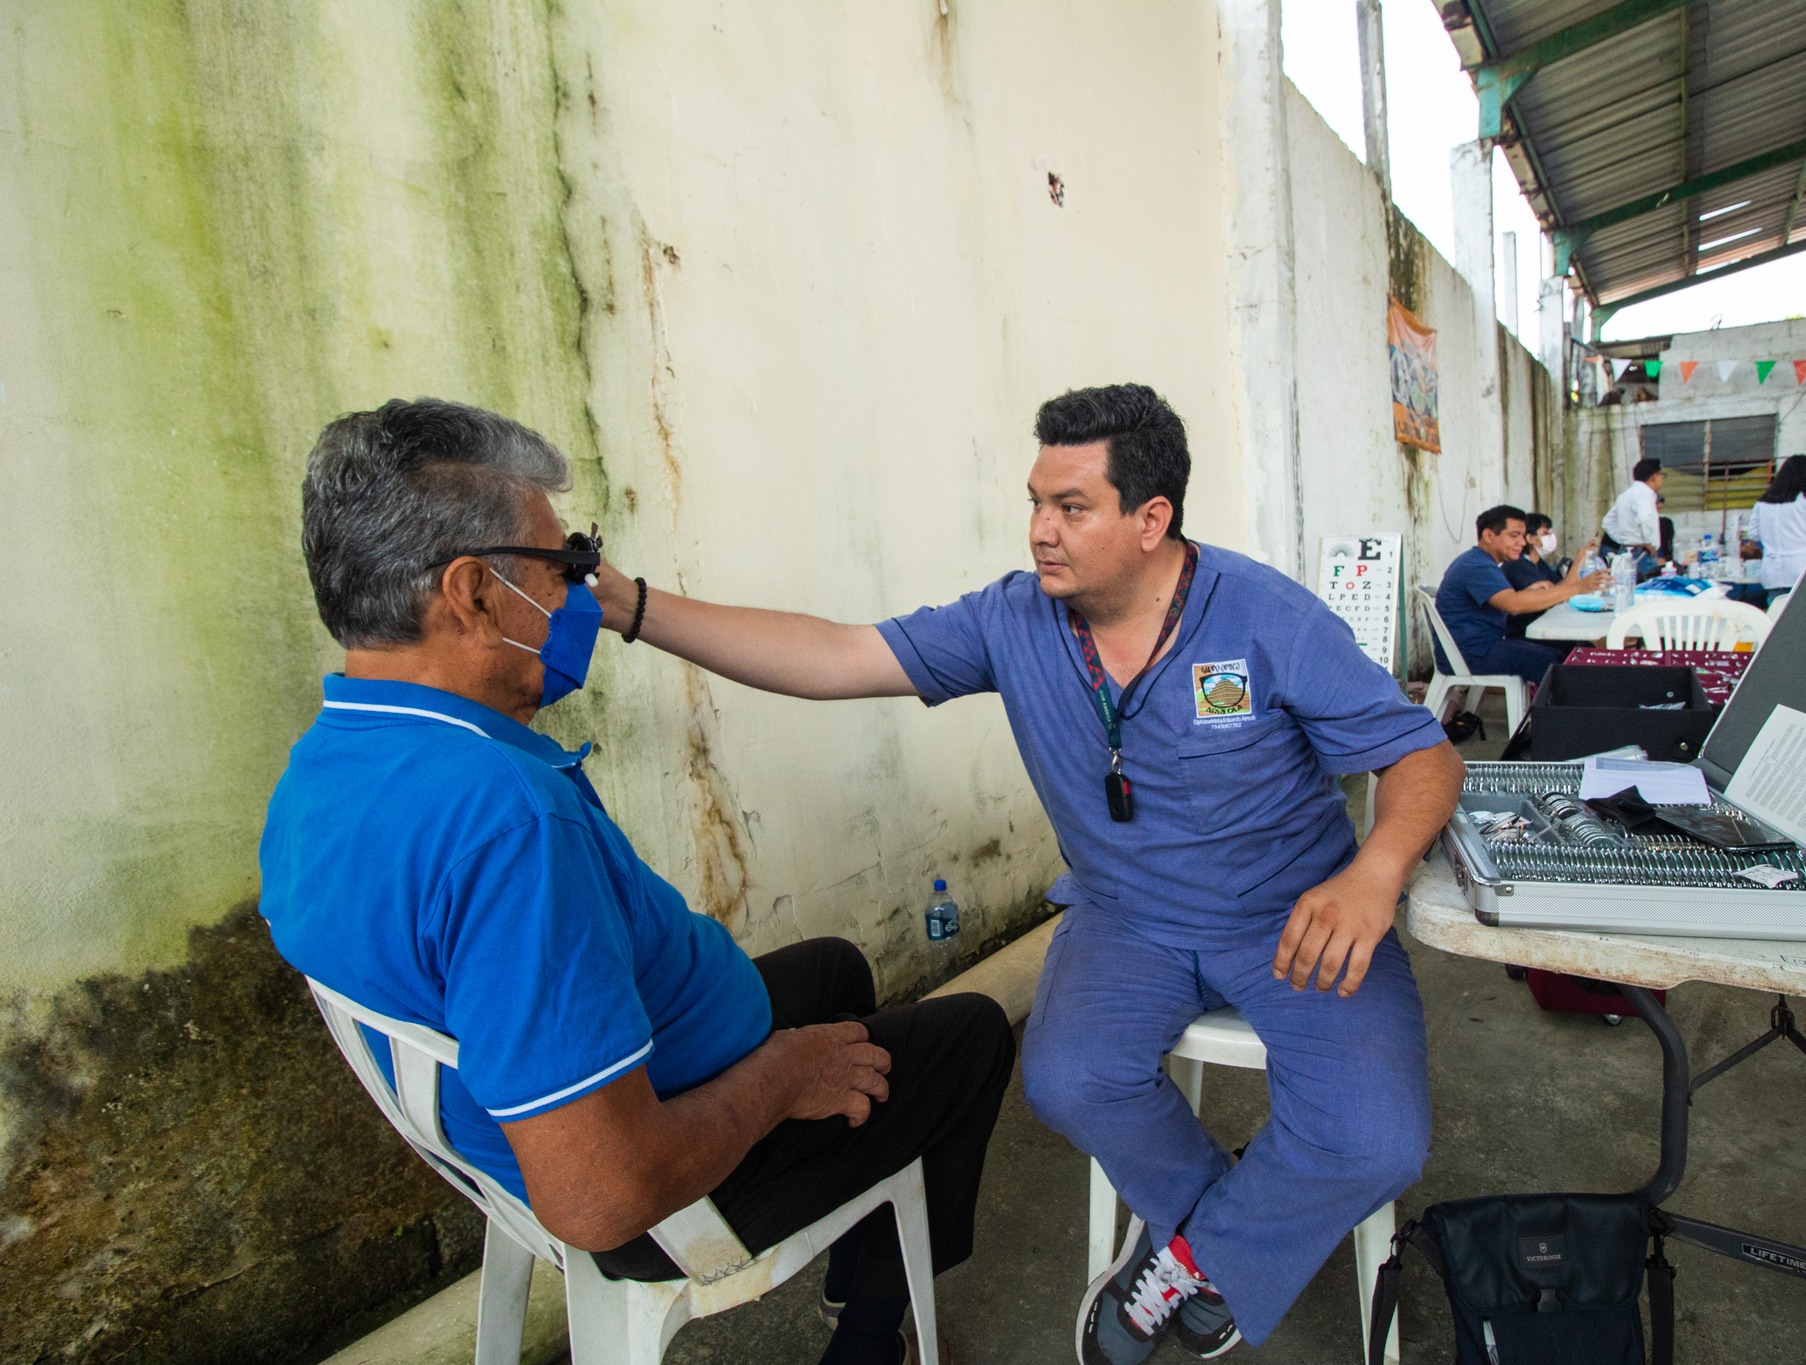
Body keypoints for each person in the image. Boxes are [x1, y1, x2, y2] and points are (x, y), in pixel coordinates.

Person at [582, 383, 1467, 1363]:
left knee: (1377, 1139)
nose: (1040, 530)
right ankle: (1217, 1242)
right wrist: (634, 609)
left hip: (1292, 913)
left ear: (1150, 519)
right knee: (1067, 1079)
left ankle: (1189, 1255)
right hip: (1126, 917)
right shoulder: (1013, 619)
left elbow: (1421, 755)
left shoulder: (1267, 617)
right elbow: (834, 654)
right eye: (1037, 502)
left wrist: (1375, 872)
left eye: (1071, 507)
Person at [260, 400, 1016, 1365]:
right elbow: (601, 1192)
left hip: (573, 1095)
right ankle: (870, 1337)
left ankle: (858, 1241)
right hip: (657, 1186)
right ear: (473, 592)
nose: (579, 591)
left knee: (834, 968)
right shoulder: (504, 821)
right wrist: (783, 1078)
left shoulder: (329, 762)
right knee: (972, 1034)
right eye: (560, 565)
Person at [1436, 505, 1607, 687]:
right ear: (1488, 536)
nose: (1522, 542)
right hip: (1471, 654)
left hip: (1479, 648)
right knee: (1554, 662)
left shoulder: (1479, 561)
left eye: (1522, 536)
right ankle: (1570, 705)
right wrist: (1577, 588)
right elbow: (1513, 605)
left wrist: (1530, 593)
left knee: (1566, 652)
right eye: (1514, 535)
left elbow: (1510, 598)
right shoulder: (1476, 565)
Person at [1749, 455, 1806, 604]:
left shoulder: (1763, 502)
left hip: (1773, 573)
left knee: (1777, 614)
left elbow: (1753, 534)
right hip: (1804, 569)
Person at [1502, 511, 1564, 638]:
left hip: (1540, 625)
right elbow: (1555, 594)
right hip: (1523, 632)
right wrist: (1579, 560)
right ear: (1530, 538)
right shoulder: (1516, 564)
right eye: (1545, 533)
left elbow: (1561, 587)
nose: (1551, 537)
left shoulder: (1538, 562)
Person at [1601, 458, 1664, 579]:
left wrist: (1624, 539)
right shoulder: (1644, 494)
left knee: (1628, 585)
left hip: (1626, 550)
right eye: (1661, 475)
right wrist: (1648, 543)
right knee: (1645, 587)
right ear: (1654, 477)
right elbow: (1645, 518)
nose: (1662, 479)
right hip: (1643, 553)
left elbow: (1607, 522)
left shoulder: (1625, 495)